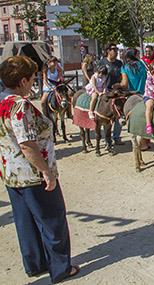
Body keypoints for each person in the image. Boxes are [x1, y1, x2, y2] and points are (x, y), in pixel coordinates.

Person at [0, 56, 80, 283]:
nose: (35, 82)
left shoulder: (1, 100)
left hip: (11, 173)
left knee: (24, 221)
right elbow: (27, 144)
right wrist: (46, 171)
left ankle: (34, 264)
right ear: (23, 81)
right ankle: (61, 268)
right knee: (53, 221)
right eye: (33, 78)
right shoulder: (19, 105)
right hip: (32, 174)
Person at [99, 43, 124, 145]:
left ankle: (116, 137)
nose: (116, 51)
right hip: (107, 91)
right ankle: (106, 138)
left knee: (119, 114)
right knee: (106, 115)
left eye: (116, 49)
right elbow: (98, 77)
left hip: (118, 91)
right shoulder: (102, 62)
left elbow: (123, 76)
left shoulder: (119, 63)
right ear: (108, 51)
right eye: (113, 49)